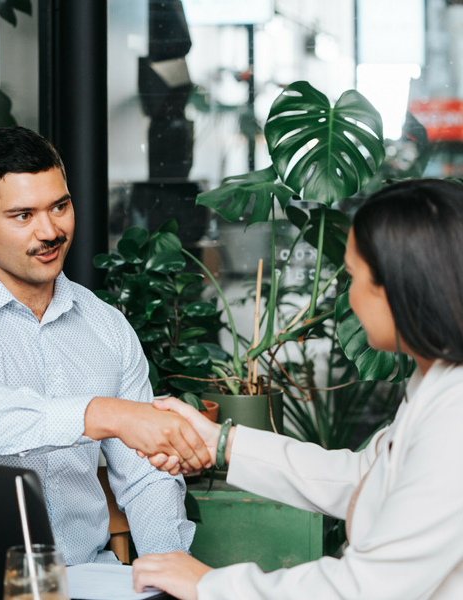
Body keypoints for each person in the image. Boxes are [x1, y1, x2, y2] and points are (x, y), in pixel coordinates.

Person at [0, 126, 210, 563]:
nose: (50, 231)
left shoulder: (107, 326)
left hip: (87, 578)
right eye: (23, 216)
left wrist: (167, 569)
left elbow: (146, 476)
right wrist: (102, 414)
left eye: (60, 206)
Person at [133, 178, 463, 600]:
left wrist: (207, 584)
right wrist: (219, 442)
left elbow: (368, 589)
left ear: (399, 289)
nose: (346, 296)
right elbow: (364, 479)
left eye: (352, 276)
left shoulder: (454, 420)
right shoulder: (435, 381)